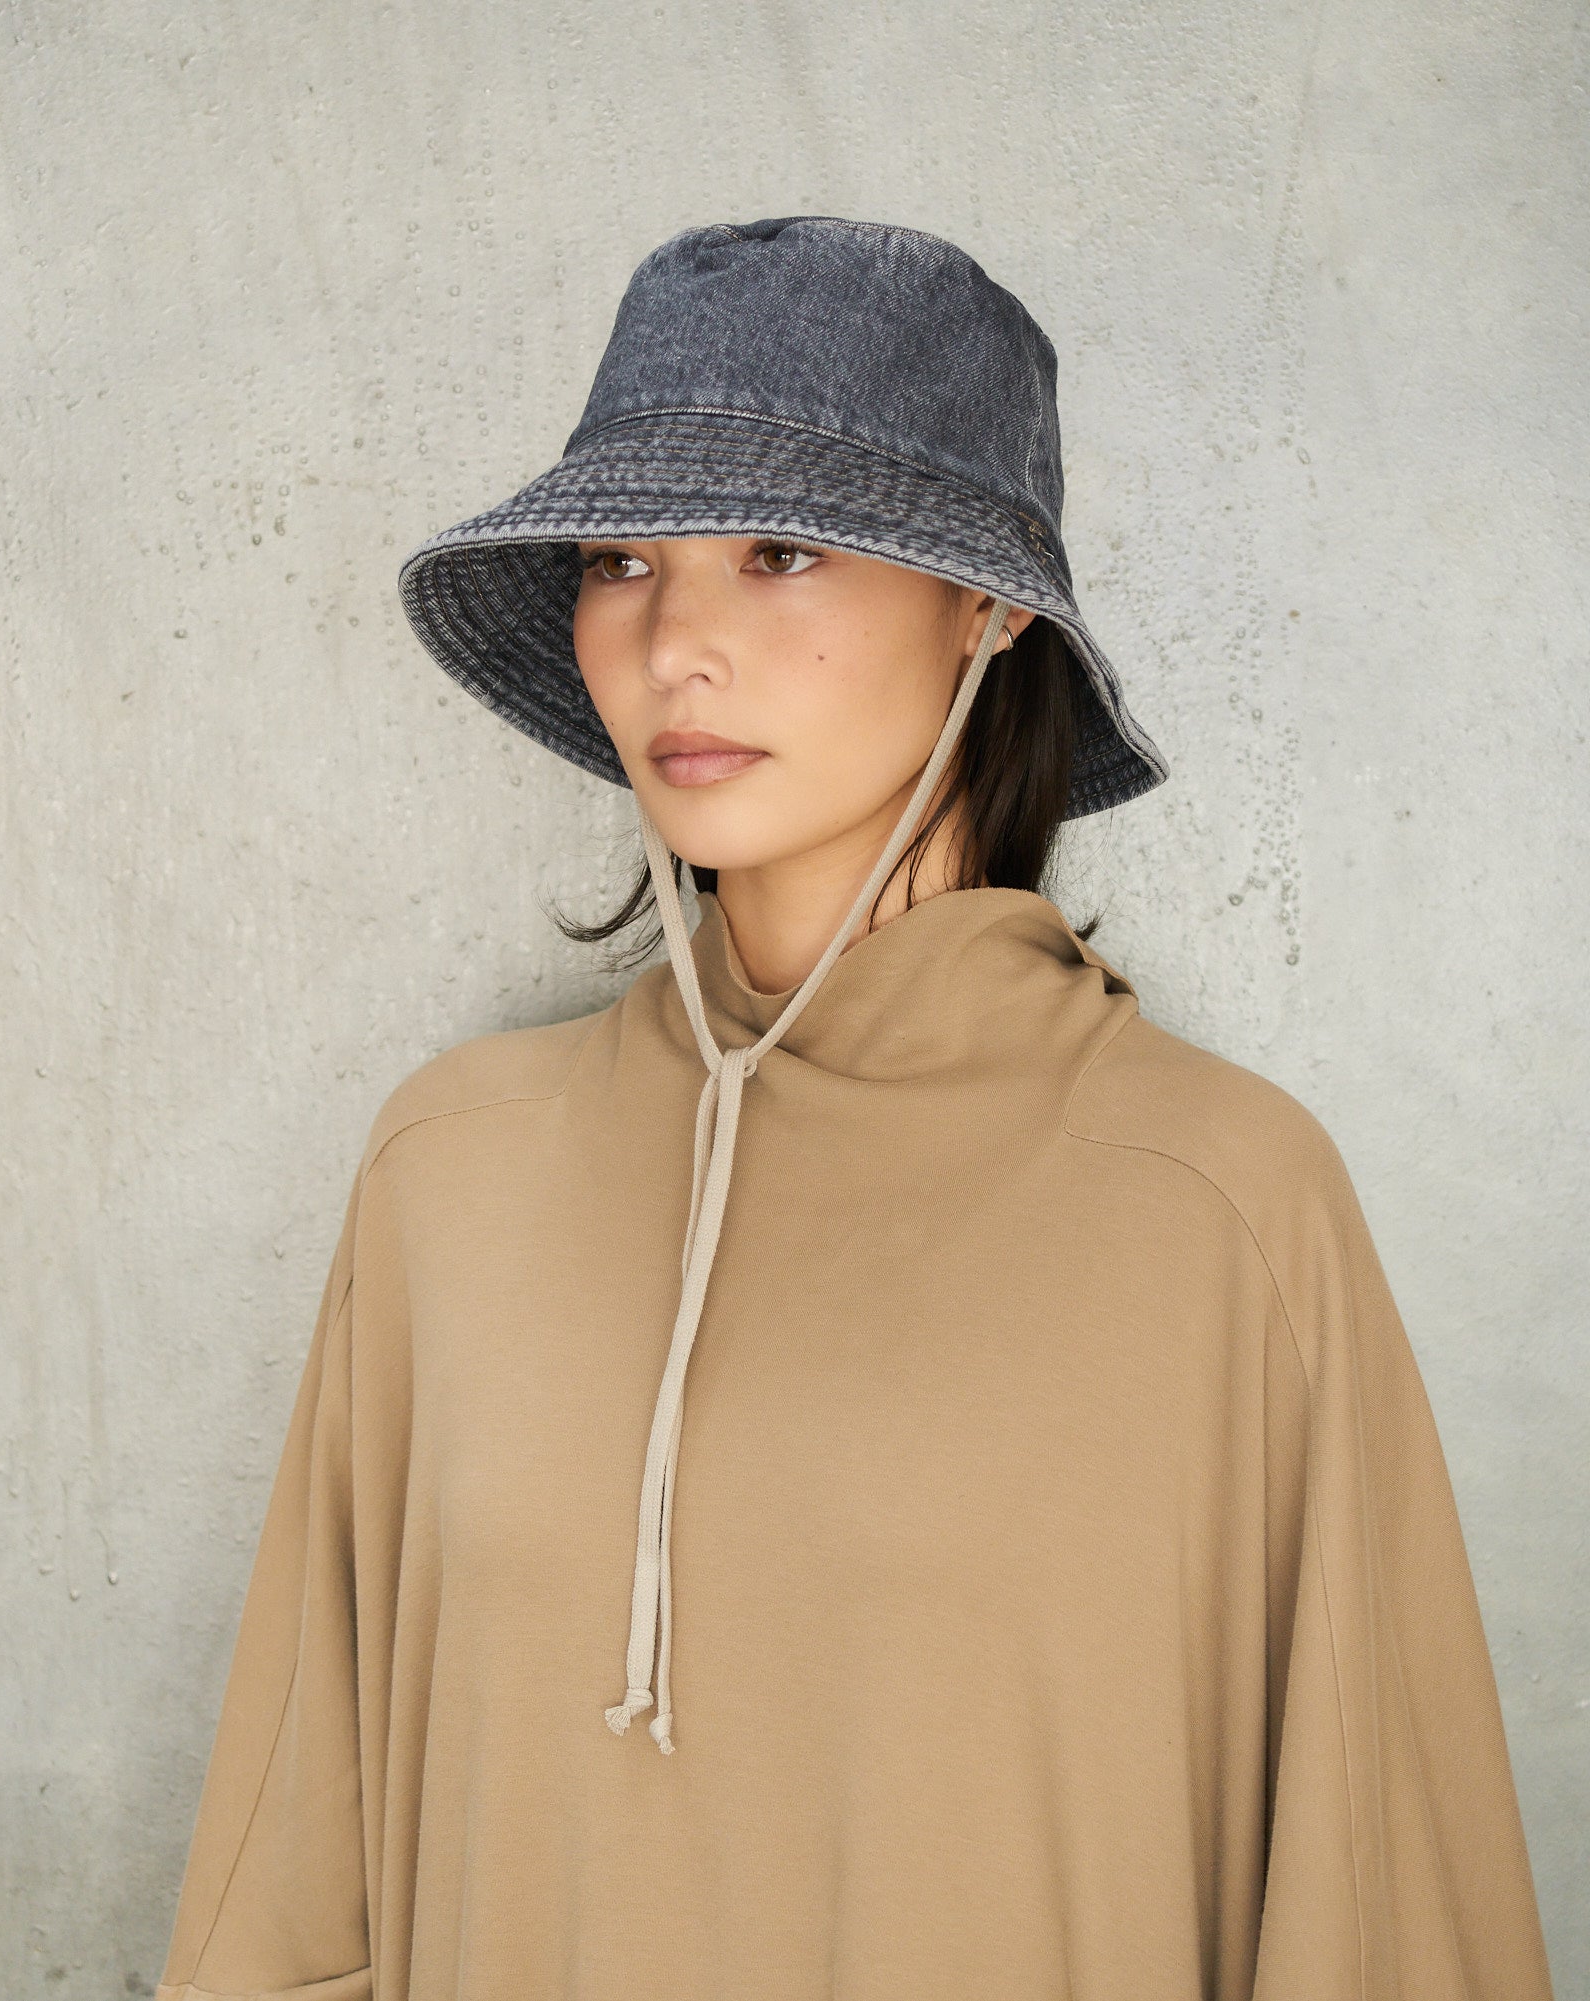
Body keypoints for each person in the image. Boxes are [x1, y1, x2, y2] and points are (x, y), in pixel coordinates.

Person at [154, 217, 1555, 2000]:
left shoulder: (1221, 1202)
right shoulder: (452, 1171)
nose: (679, 643)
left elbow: (1385, 1919)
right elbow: (286, 1906)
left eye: (783, 550)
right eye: (623, 557)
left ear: (990, 605)